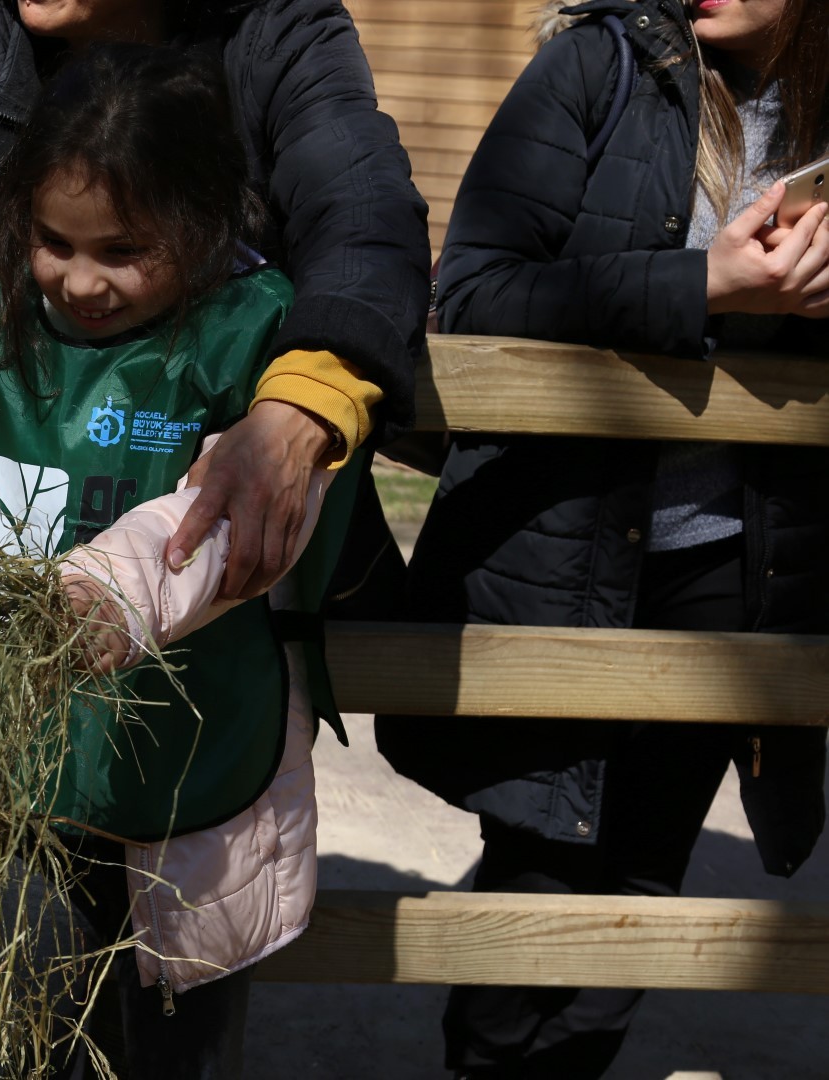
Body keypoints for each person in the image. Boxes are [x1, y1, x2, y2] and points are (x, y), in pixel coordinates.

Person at [0, 43, 368, 1078]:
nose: (82, 279)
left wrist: (98, 600)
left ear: (201, 223)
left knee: (178, 1053)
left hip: (196, 777)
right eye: (56, 242)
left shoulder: (257, 342)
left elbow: (226, 528)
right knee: (12, 1040)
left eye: (125, 249)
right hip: (23, 792)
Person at [375, 1, 829, 1076]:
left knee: (639, 883)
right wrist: (704, 282)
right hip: (563, 552)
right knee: (538, 876)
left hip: (735, 568)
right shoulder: (599, 65)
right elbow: (476, 296)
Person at [0, 0, 429, 621]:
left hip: (223, 598)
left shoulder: (281, 32)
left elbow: (366, 226)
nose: (84, 282)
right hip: (16, 535)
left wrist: (291, 423)